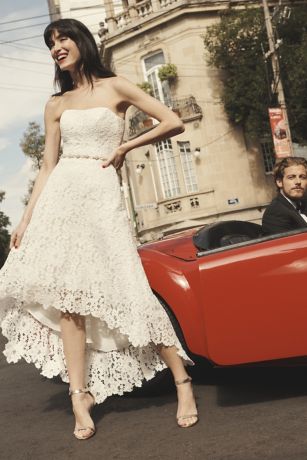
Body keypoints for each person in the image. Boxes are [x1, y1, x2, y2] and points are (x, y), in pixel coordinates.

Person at [0, 19, 199, 440]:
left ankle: (182, 381)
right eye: (50, 43)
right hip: (62, 199)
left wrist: (124, 146)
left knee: (129, 289)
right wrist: (27, 218)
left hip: (102, 195)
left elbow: (172, 121)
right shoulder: (56, 104)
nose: (57, 47)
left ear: (81, 42)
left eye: (63, 38)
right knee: (69, 298)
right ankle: (79, 394)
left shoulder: (117, 87)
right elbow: (48, 167)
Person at [262, 157, 307, 235]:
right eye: (291, 177)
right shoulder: (275, 212)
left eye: (302, 177)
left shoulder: (303, 203)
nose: (298, 182)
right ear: (279, 182)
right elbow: (289, 246)